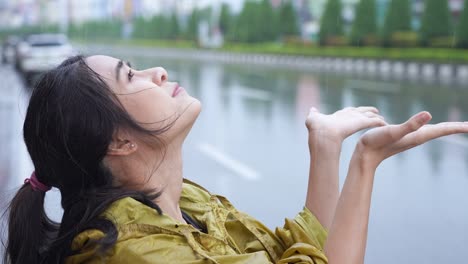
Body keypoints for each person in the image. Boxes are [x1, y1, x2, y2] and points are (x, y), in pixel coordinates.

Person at [3, 55, 468, 264]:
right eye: (133, 76)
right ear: (118, 142)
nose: (157, 72)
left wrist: (326, 149)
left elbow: (296, 254)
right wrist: (364, 163)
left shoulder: (184, 202)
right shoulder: (134, 253)